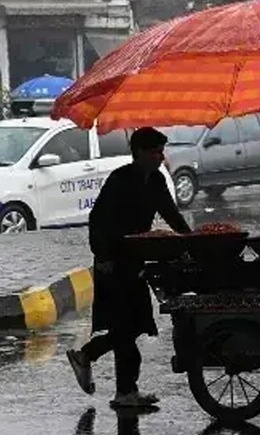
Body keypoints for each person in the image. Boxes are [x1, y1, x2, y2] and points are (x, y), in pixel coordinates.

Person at [67, 127, 191, 409]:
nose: (160, 157)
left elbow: (171, 215)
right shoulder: (119, 180)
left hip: (135, 260)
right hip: (112, 261)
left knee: (134, 325)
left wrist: (193, 241)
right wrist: (103, 256)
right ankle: (125, 392)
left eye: (162, 152)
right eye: (155, 152)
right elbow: (98, 220)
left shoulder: (156, 180)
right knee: (124, 327)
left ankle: (86, 356)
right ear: (139, 153)